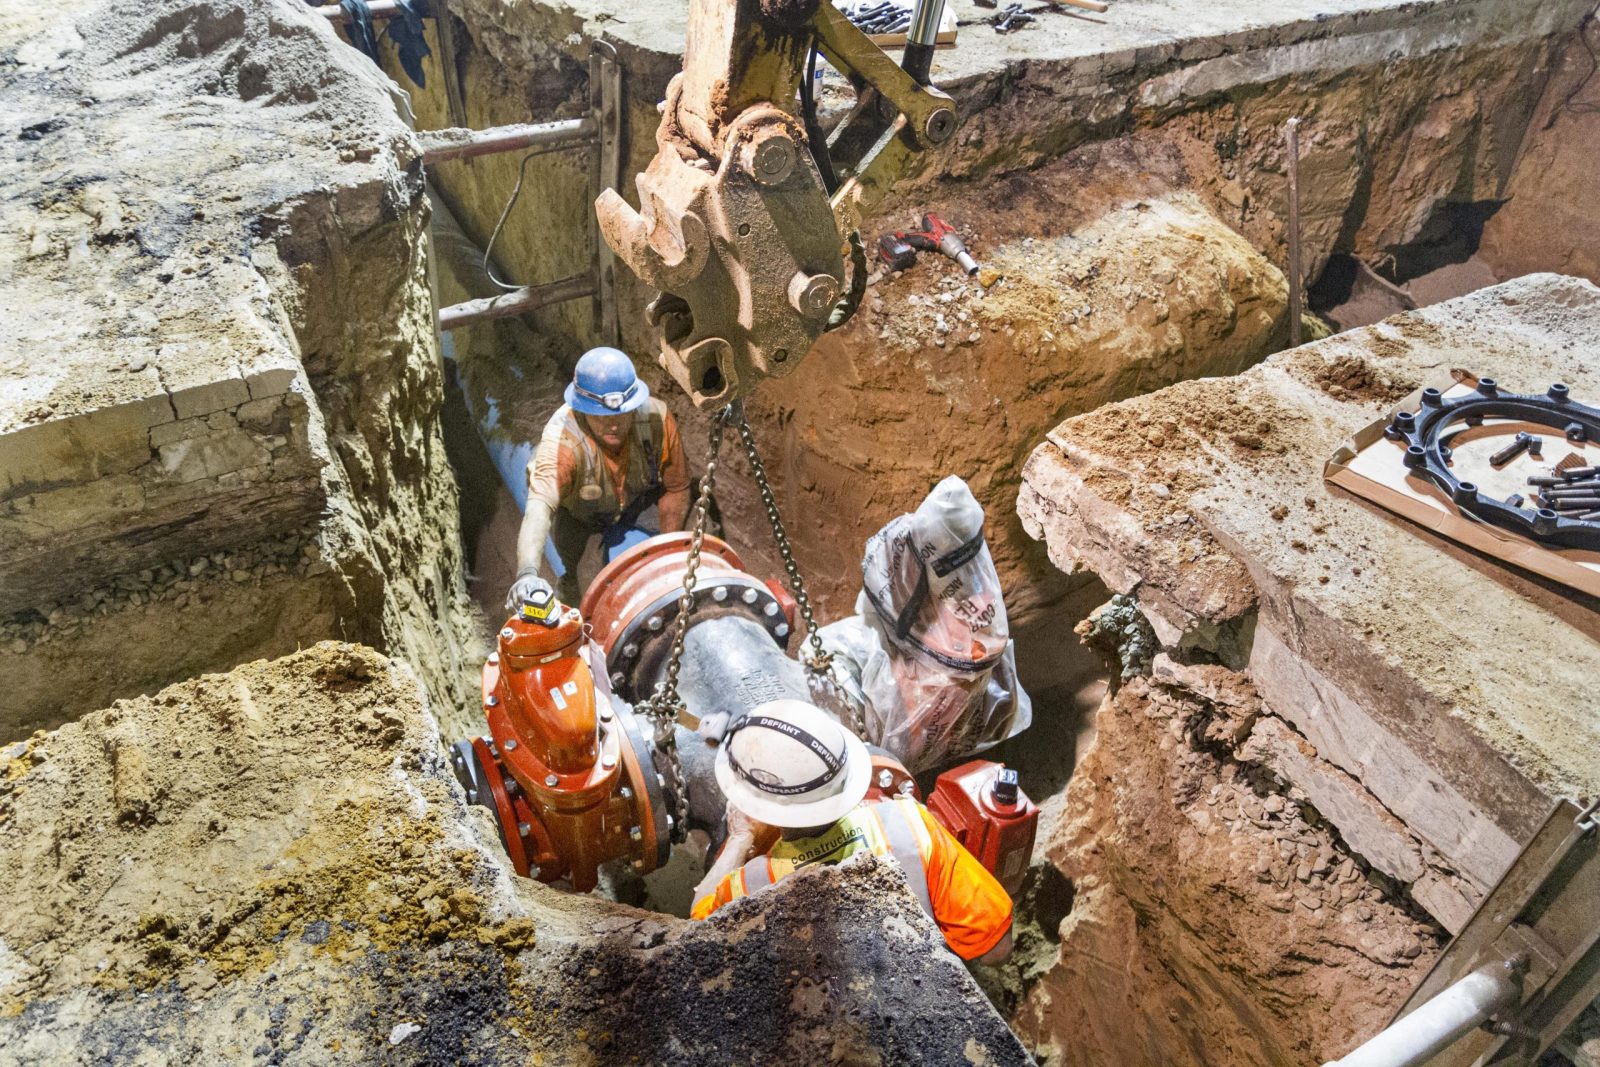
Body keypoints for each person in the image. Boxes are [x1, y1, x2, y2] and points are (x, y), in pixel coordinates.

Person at [689, 699, 1014, 964]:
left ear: (757, 808)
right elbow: (996, 949)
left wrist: (740, 838)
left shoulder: (746, 888)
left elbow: (692, 939)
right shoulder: (911, 826)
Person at [507, 347, 691, 609]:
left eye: (621, 413)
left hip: (639, 501)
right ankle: (570, 587)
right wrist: (527, 573)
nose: (613, 424)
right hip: (585, 519)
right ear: (582, 410)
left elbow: (677, 487)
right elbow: (539, 509)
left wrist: (669, 554)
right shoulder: (563, 442)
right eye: (602, 416)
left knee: (699, 528)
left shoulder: (656, 419)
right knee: (589, 592)